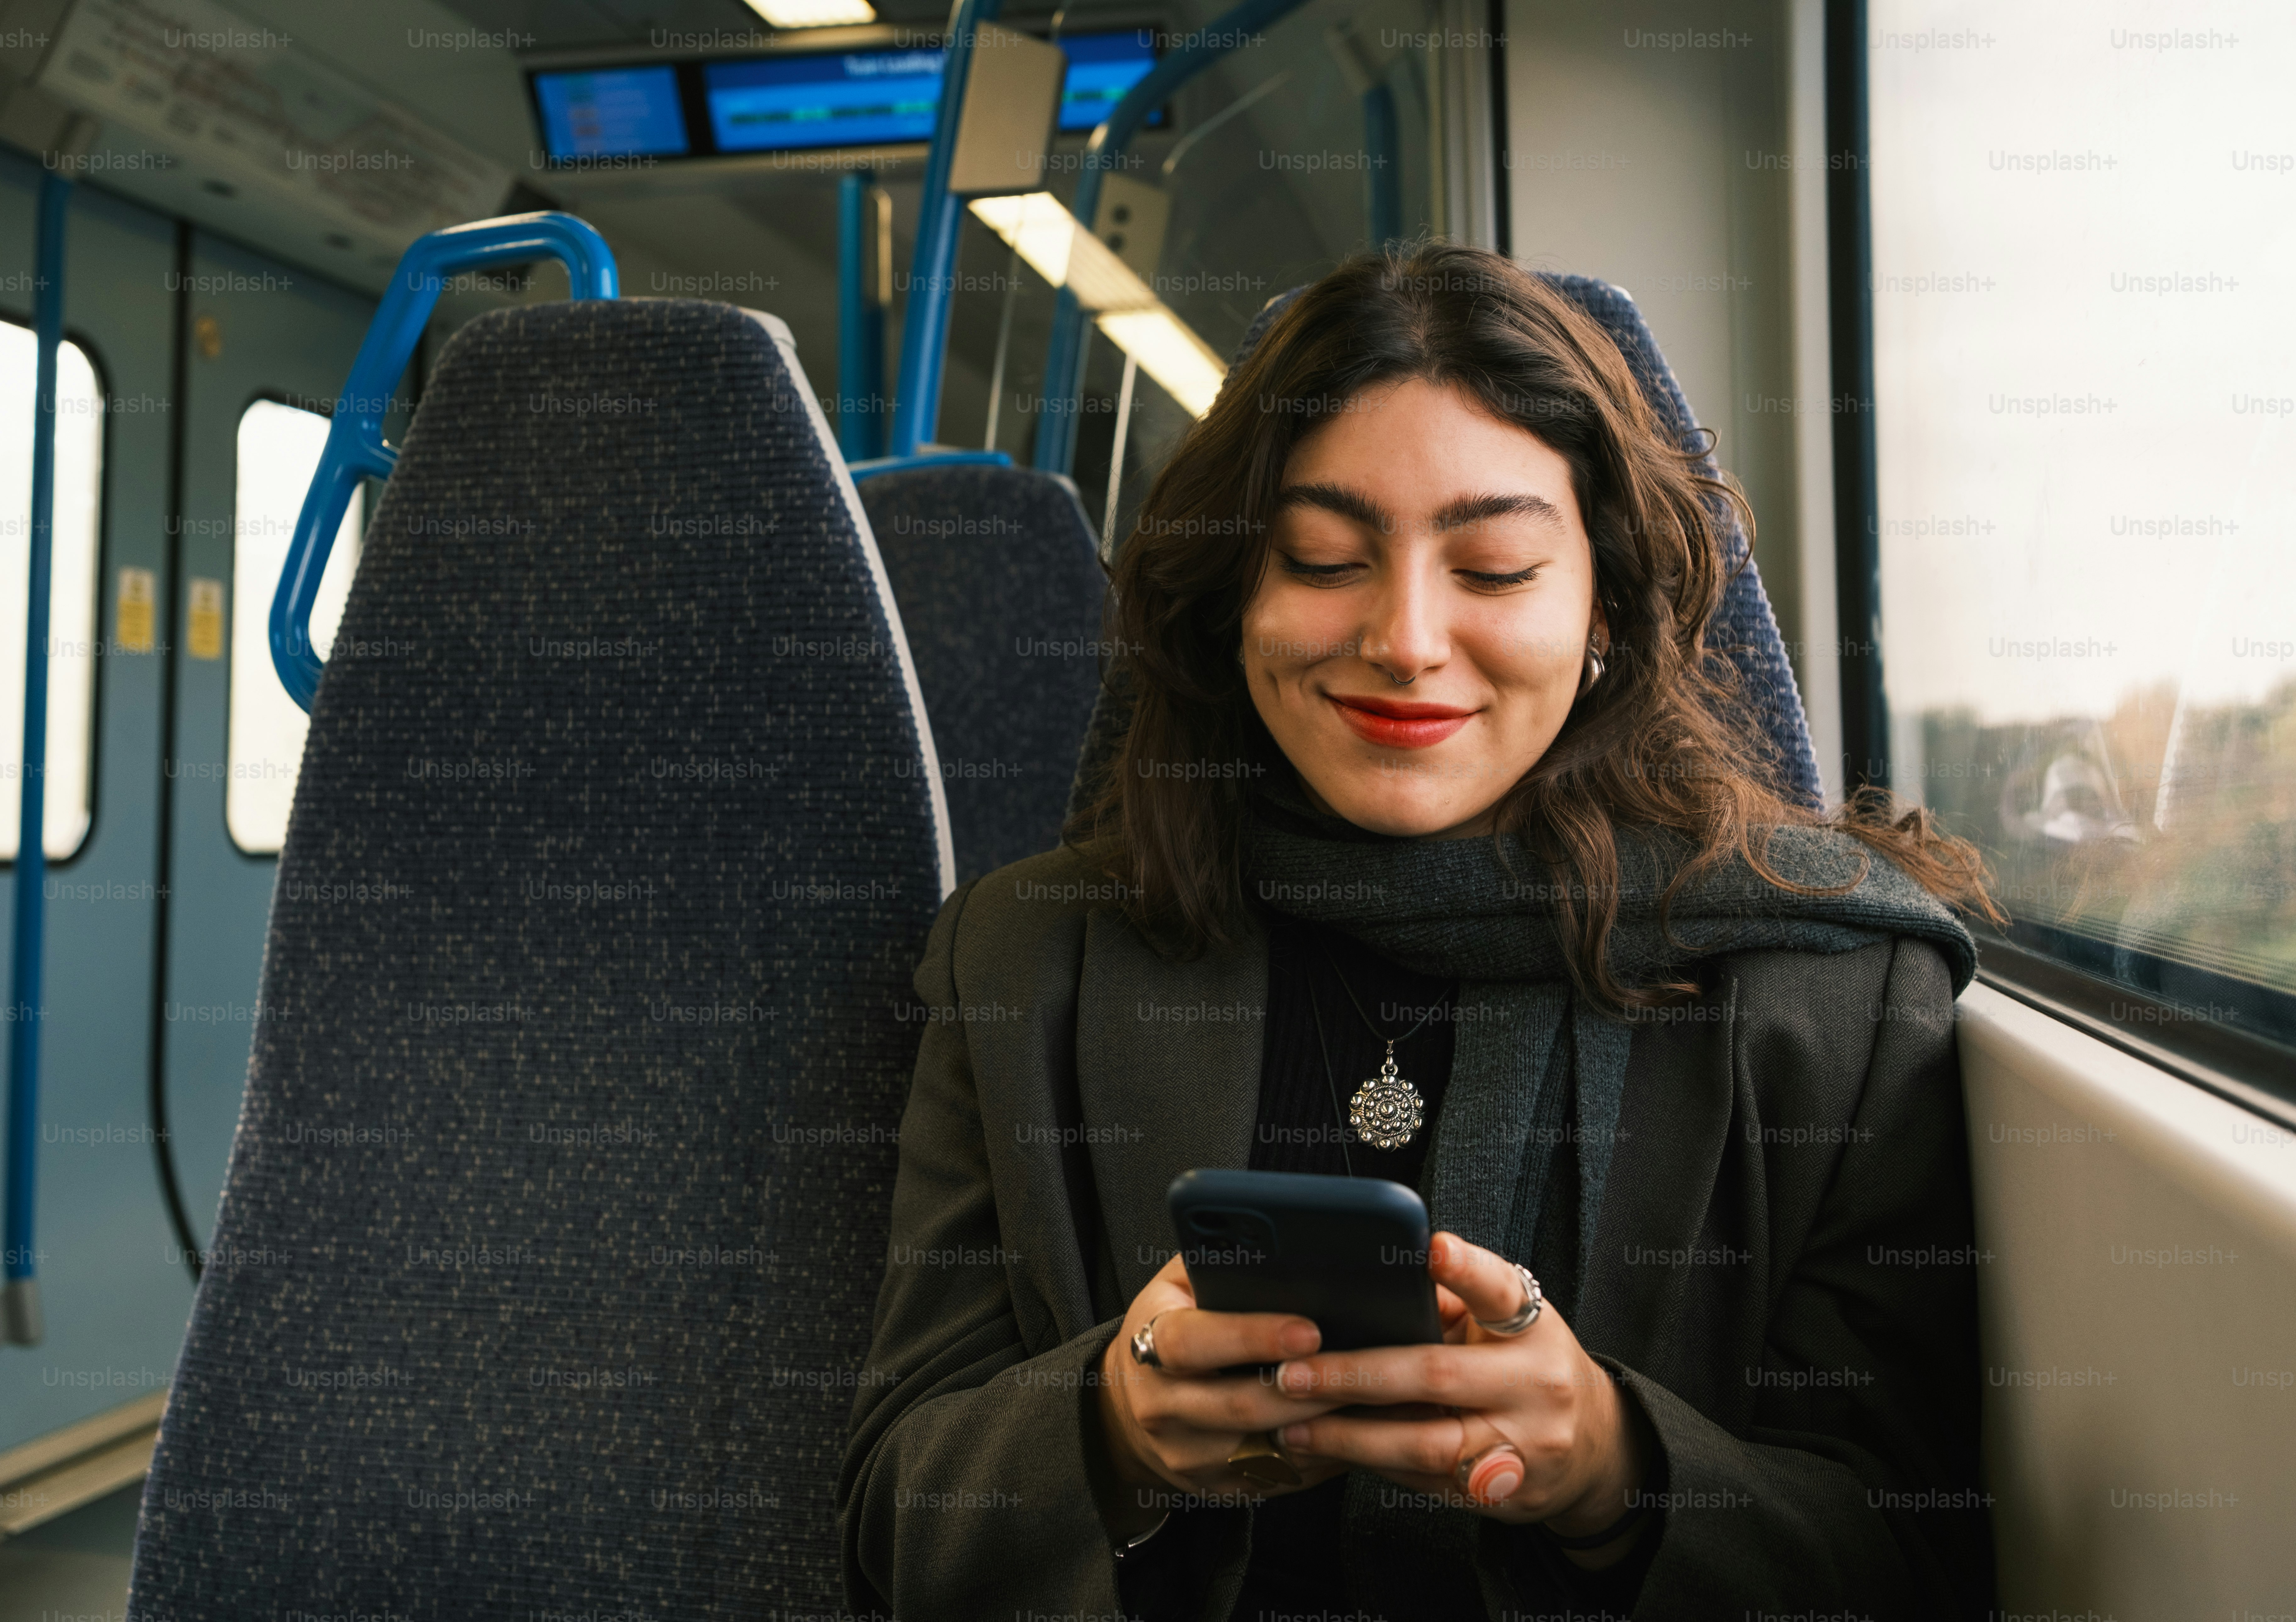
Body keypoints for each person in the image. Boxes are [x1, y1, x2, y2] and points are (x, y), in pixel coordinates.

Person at [840, 242, 1997, 1620]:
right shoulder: (1026, 966)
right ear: (1231, 603)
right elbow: (891, 1532)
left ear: (1605, 613)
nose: (1405, 638)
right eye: (1324, 557)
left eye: (1497, 569)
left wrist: (1616, 1470)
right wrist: (1109, 1430)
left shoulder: (1838, 992)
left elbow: (1917, 1558)